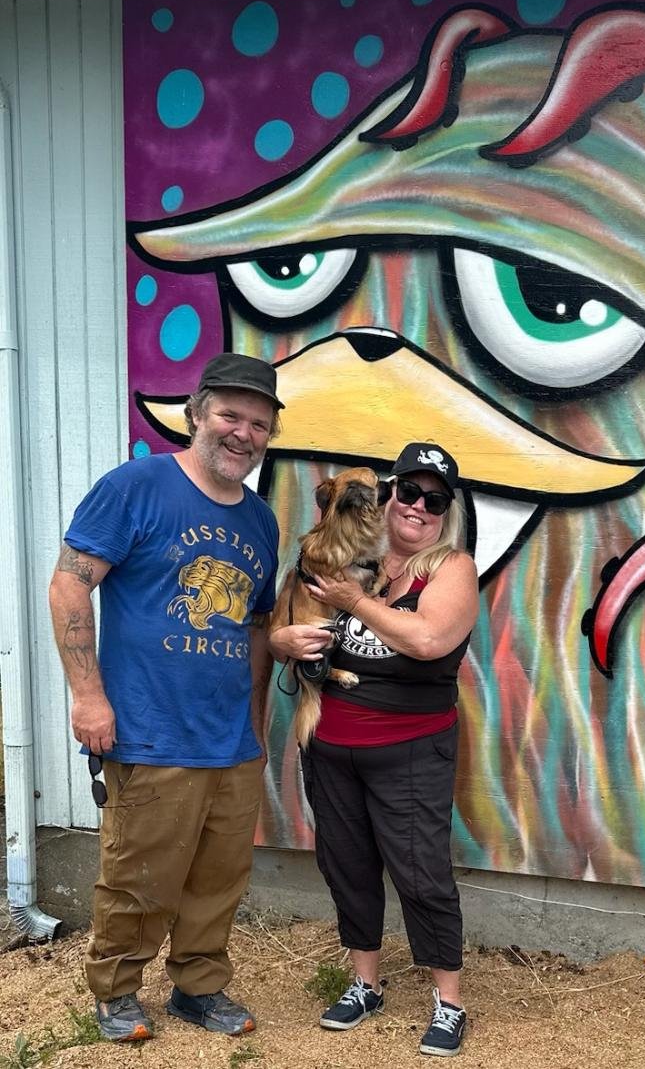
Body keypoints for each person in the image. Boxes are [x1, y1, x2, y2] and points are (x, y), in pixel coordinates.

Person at [47, 353, 283, 1043]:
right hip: (151, 729)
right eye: (231, 416)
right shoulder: (135, 487)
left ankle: (198, 985)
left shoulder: (261, 522)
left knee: (218, 879)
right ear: (198, 413)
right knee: (138, 875)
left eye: (258, 424)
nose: (243, 433)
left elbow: (258, 627)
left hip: (230, 739)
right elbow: (69, 585)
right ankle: (116, 990)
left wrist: (258, 725)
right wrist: (88, 697)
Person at [270, 441, 479, 1058]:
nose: (417, 507)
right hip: (331, 745)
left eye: (433, 500)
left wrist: (355, 604)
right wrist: (283, 638)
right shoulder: (349, 560)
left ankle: (449, 1001)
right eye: (406, 492)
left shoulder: (451, 569)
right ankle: (365, 983)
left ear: (447, 513)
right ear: (385, 498)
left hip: (410, 748)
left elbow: (428, 639)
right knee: (348, 866)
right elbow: (285, 630)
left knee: (421, 873)